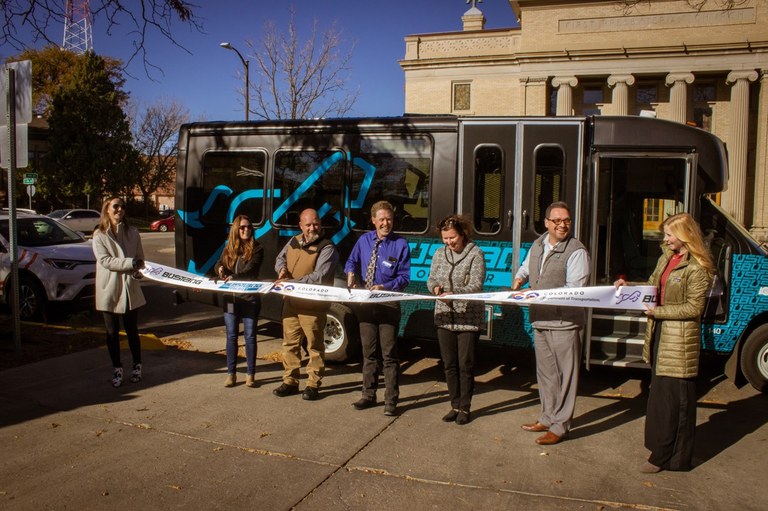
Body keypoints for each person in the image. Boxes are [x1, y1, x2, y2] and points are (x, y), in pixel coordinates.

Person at [615, 213, 713, 474]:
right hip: (662, 336)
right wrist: (628, 287)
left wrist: (658, 312)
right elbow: (651, 287)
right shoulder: (668, 258)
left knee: (676, 403)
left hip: (679, 343)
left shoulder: (697, 268)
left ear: (684, 235)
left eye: (669, 234)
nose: (665, 239)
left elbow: (694, 308)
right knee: (661, 399)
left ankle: (668, 458)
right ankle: (665, 455)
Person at [512, 201, 590, 445]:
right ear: (546, 223)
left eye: (566, 220)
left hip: (564, 322)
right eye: (556, 220)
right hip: (540, 319)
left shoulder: (577, 251)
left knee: (565, 376)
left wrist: (536, 294)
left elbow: (574, 289)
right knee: (546, 375)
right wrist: (519, 280)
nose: (562, 225)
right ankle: (547, 417)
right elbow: (527, 266)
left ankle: (560, 426)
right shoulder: (538, 244)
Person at [345, 200, 411, 416]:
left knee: (389, 354)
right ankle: (368, 395)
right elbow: (351, 262)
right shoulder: (364, 241)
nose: (386, 223)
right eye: (381, 219)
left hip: (388, 303)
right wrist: (351, 274)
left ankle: (390, 401)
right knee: (369, 352)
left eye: (389, 219)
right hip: (366, 303)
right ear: (373, 220)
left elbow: (404, 277)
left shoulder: (400, 244)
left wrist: (386, 286)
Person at [273, 208, 339, 401]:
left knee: (314, 347)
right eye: (308, 224)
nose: (313, 228)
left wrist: (290, 283)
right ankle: (290, 381)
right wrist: (282, 270)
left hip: (313, 306)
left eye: (316, 223)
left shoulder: (327, 247)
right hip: (291, 303)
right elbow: (279, 258)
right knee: (290, 344)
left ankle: (312, 384)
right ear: (300, 225)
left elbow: (319, 277)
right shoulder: (293, 241)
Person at [426, 215, 486, 425]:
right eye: (445, 238)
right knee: (449, 364)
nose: (449, 242)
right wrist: (434, 288)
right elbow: (431, 279)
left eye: (452, 238)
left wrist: (453, 292)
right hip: (444, 317)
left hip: (468, 318)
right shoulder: (438, 254)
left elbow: (476, 286)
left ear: (462, 234)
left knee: (465, 364)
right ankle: (454, 405)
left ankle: (465, 407)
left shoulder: (475, 253)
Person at [92, 198, 146, 388]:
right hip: (110, 288)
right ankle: (117, 368)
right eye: (116, 206)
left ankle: (137, 366)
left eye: (123, 206)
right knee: (112, 332)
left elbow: (140, 258)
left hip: (130, 288)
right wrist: (130, 263)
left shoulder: (133, 232)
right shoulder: (99, 235)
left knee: (132, 330)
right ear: (107, 209)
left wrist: (139, 270)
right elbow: (105, 261)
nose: (120, 209)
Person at [214, 215, 264, 388]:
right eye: (243, 227)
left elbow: (251, 271)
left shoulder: (257, 248)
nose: (246, 230)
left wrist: (233, 277)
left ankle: (251, 375)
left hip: (249, 299)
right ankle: (231, 374)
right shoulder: (228, 248)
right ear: (236, 229)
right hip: (230, 299)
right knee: (231, 336)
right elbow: (218, 263)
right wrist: (219, 268)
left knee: (250, 336)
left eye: (249, 227)